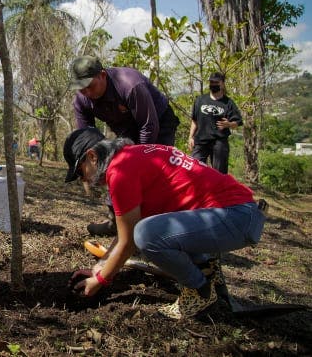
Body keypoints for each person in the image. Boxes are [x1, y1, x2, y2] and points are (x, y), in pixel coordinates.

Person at [64, 127, 265, 319]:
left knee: (146, 234)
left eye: (81, 172)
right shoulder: (133, 156)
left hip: (234, 216)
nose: (85, 180)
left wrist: (99, 280)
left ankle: (199, 292)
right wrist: (100, 266)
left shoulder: (120, 172)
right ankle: (208, 273)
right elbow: (125, 231)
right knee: (150, 230)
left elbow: (129, 241)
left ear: (92, 156)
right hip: (240, 214)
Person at [70, 55, 180, 236]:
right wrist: (87, 168)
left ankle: (154, 229)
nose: (86, 92)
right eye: (81, 89)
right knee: (117, 168)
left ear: (103, 75)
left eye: (90, 86)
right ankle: (116, 222)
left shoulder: (130, 85)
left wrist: (140, 162)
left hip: (158, 123)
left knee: (152, 173)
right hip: (126, 129)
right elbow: (87, 139)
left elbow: (148, 125)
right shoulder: (81, 101)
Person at [188, 72, 243, 174]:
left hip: (219, 142)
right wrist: (191, 136)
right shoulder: (200, 100)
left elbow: (238, 122)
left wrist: (229, 124)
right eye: (211, 82)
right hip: (200, 141)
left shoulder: (228, 103)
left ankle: (218, 190)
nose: (213, 84)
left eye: (216, 82)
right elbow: (194, 120)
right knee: (194, 170)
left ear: (222, 84)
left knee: (219, 174)